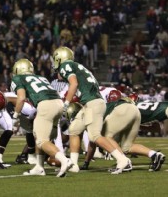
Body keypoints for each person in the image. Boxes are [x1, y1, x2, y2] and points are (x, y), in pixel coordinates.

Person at [51, 46, 130, 174]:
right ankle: (74, 164)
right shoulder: (79, 66)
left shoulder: (65, 66)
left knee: (94, 136)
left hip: (92, 103)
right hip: (91, 103)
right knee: (74, 130)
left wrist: (65, 104)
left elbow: (74, 84)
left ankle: (122, 160)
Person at [11, 58, 73, 177]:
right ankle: (39, 167)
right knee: (40, 136)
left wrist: (15, 117)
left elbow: (21, 98)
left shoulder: (18, 78)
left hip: (45, 105)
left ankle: (64, 160)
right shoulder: (41, 77)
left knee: (41, 140)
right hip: (59, 104)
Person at [81, 97, 165, 172]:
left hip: (123, 109)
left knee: (107, 137)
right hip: (135, 110)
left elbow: (93, 141)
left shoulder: (87, 115)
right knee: (127, 147)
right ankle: (154, 155)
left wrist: (86, 162)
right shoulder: (97, 107)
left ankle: (124, 162)